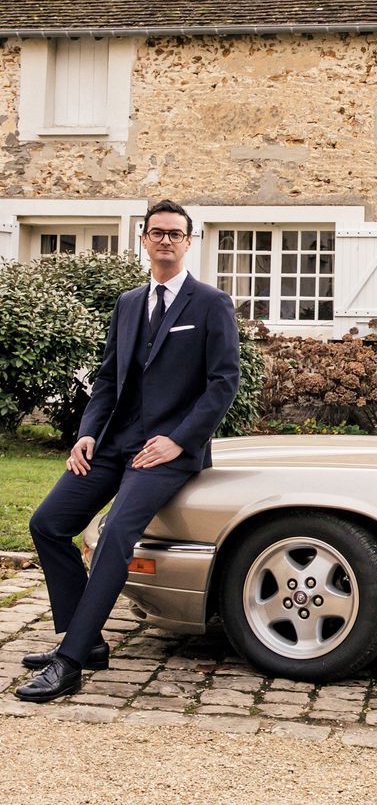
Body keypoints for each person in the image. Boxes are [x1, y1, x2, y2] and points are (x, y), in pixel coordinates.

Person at [17, 199, 240, 703]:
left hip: (166, 451)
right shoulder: (127, 303)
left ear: (188, 241)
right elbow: (107, 380)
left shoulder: (210, 303)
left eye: (175, 234)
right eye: (156, 232)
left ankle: (70, 661)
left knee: (116, 532)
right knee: (48, 524)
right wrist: (88, 432)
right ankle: (87, 638)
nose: (165, 240)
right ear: (143, 238)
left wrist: (178, 439)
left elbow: (223, 383)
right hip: (113, 443)